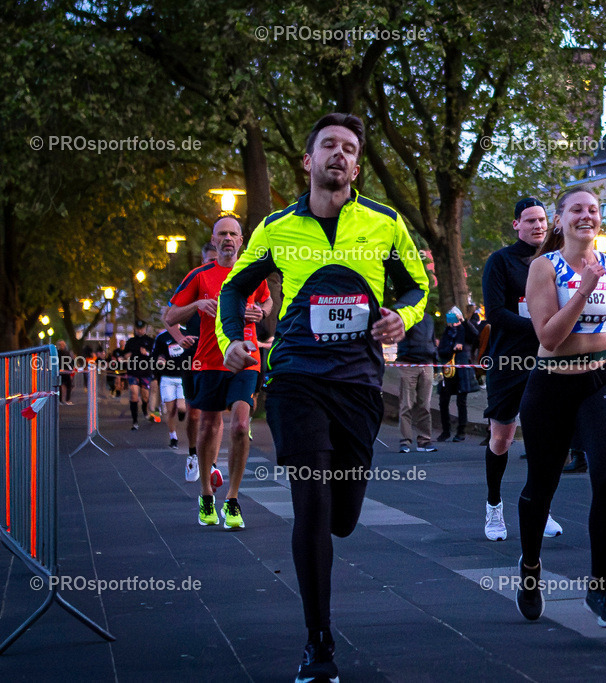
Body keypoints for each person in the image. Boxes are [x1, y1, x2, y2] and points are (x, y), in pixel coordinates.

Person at [215, 113, 430, 682]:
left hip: (359, 384)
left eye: (350, 148)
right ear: (308, 161)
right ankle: (318, 642)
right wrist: (233, 340)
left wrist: (399, 317)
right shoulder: (276, 227)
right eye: (328, 145)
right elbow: (235, 287)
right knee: (310, 505)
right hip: (296, 380)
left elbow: (417, 284)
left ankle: (334, 530)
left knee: (343, 517)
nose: (339, 154)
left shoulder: (384, 223)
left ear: (357, 165)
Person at [515, 186, 606, 628]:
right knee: (541, 485)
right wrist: (584, 287)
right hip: (551, 385)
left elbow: (601, 311)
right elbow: (549, 336)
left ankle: (600, 587)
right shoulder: (542, 267)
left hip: (599, 380)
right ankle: (531, 568)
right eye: (577, 210)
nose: (586, 216)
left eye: (593, 210)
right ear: (560, 220)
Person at [166, 216, 272, 530]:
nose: (228, 239)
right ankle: (206, 495)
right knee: (209, 425)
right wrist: (198, 303)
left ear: (242, 240)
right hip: (209, 361)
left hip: (245, 358)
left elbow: (266, 301)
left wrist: (260, 312)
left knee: (240, 425)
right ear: (214, 241)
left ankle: (234, 500)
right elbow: (170, 314)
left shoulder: (252, 272)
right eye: (222, 234)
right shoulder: (199, 275)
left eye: (233, 234)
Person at [480, 196, 561, 542]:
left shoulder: (556, 261)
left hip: (546, 360)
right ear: (516, 225)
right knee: (502, 438)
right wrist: (543, 327)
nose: (537, 226)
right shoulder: (500, 261)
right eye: (529, 220)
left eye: (541, 219)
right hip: (508, 361)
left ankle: (539, 507)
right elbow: (496, 314)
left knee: (544, 438)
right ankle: (494, 505)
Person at [164, 242, 216, 481]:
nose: (214, 265)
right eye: (209, 261)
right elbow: (169, 318)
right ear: (203, 260)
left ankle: (213, 464)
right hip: (193, 355)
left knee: (213, 411)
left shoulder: (231, 280)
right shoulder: (194, 282)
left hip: (218, 353)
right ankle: (194, 454)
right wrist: (180, 337)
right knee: (194, 414)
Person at [395, 315, 438, 454]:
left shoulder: (429, 319)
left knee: (424, 405)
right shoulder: (405, 314)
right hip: (408, 362)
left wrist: (435, 361)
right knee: (406, 404)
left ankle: (424, 440)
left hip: (426, 363)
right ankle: (405, 440)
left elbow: (432, 339)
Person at [437, 307, 479, 442]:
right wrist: (451, 349)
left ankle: (461, 431)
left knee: (462, 401)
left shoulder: (465, 330)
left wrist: (464, 321)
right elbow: (441, 349)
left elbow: (475, 336)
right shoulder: (447, 332)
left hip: (462, 369)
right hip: (448, 369)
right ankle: (446, 431)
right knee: (443, 400)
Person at [152, 325, 191, 449]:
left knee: (181, 408)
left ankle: (182, 413)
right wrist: (159, 360)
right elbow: (155, 355)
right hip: (167, 377)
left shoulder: (186, 333)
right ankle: (173, 437)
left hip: (182, 377)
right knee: (170, 411)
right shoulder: (162, 337)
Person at [124, 320, 155, 430]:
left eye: (141, 328)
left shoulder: (150, 341)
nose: (139, 330)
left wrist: (146, 353)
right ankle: (135, 421)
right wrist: (127, 356)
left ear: (145, 329)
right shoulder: (131, 341)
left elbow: (155, 355)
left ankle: (145, 410)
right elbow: (125, 355)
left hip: (145, 371)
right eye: (138, 328)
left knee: (145, 396)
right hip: (133, 371)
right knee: (134, 394)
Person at [55, 340, 74, 404]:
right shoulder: (56, 353)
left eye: (63, 345)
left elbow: (70, 361)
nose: (62, 346)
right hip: (59, 372)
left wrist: (71, 369)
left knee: (69, 385)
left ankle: (67, 400)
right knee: (59, 386)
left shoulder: (67, 353)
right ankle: (60, 400)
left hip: (66, 371)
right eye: (60, 345)